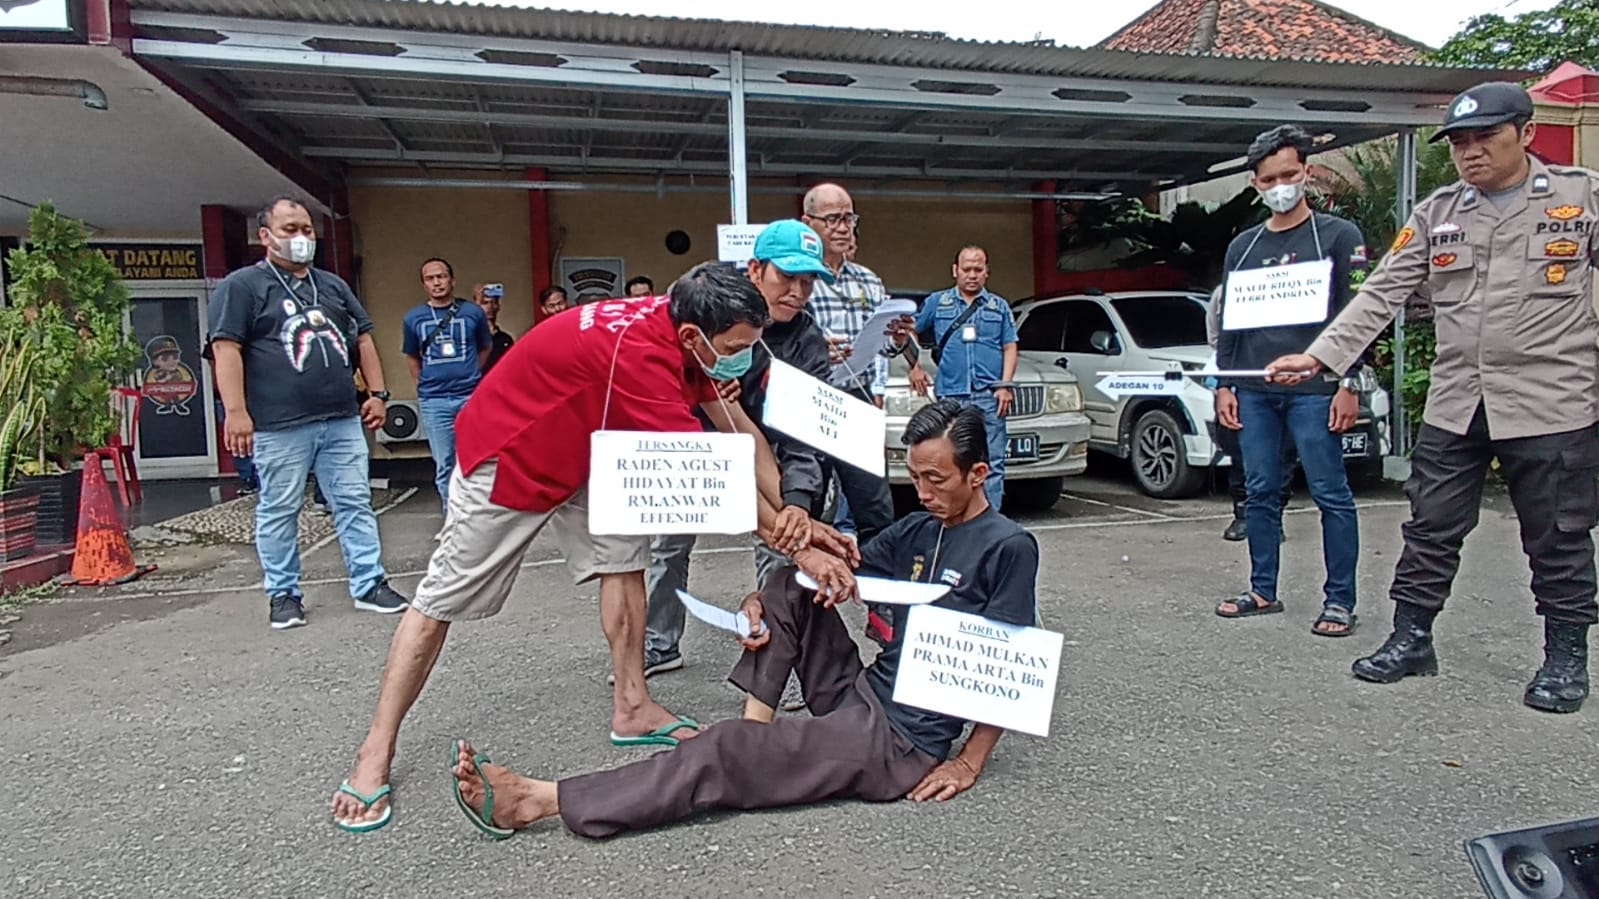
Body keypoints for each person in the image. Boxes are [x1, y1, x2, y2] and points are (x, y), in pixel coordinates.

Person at [330, 262, 861, 833]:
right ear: (693, 337)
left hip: (590, 454)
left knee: (625, 563)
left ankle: (632, 706)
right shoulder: (641, 354)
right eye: (735, 348)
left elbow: (741, 434)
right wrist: (802, 551)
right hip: (511, 455)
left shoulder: (693, 327)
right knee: (439, 601)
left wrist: (798, 519)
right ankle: (376, 748)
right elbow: (716, 480)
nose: (742, 357)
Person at [445, 399, 1040, 840]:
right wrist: (763, 601)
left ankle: (539, 800)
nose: (923, 490)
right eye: (915, 476)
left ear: (979, 475)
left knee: (723, 749)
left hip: (901, 743)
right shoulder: (920, 527)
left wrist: (968, 760)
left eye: (936, 480)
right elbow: (829, 568)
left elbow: (1008, 666)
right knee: (789, 584)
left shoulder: (1008, 547)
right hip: (863, 694)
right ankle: (760, 735)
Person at [1267, 82, 1599, 712]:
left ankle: (1564, 658)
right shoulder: (1439, 213)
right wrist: (1319, 358)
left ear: (1526, 135)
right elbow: (1380, 292)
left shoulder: (1580, 198)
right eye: (1460, 143)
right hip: (1458, 400)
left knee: (1558, 535)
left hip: (1552, 400)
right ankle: (1411, 638)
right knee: (1429, 526)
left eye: (1486, 139)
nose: (1471, 154)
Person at [638, 220, 835, 682]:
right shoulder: (707, 305)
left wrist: (798, 504)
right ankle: (657, 645)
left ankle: (777, 661)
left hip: (769, 455)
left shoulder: (807, 342)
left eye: (808, 282)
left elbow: (803, 438)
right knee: (668, 549)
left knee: (781, 550)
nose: (797, 292)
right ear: (754, 270)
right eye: (787, 277)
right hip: (692, 445)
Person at [207, 195, 408, 630]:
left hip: (340, 420)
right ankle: (283, 594)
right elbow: (226, 349)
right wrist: (236, 411)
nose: (301, 238)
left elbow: (364, 339)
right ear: (265, 236)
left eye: (305, 229)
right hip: (279, 426)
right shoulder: (242, 287)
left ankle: (370, 583)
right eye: (289, 230)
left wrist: (378, 393)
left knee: (354, 501)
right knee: (280, 508)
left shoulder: (332, 286)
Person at [1213, 124, 1367, 638]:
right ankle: (1262, 589)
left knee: (1330, 492)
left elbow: (1359, 314)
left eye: (1289, 174)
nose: (1280, 185)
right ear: (1256, 185)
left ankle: (1340, 601)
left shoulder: (1340, 236)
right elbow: (1231, 322)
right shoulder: (1243, 246)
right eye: (1268, 178)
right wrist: (1224, 384)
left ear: (1306, 172)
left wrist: (1350, 382)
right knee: (1260, 490)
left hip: (1316, 390)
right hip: (1254, 389)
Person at [802, 182, 912, 646]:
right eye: (834, 219)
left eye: (849, 218)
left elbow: (882, 346)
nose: (844, 228)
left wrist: (898, 338)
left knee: (876, 511)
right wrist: (814, 347)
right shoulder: (796, 278)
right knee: (802, 512)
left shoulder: (868, 279)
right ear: (808, 224)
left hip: (858, 400)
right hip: (807, 406)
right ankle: (801, 628)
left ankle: (882, 613)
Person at [906, 245, 1017, 511]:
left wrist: (1005, 386)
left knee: (993, 461)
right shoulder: (938, 302)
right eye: (966, 269)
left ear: (987, 272)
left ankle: (989, 521)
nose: (972, 275)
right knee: (949, 461)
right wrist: (915, 366)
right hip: (951, 396)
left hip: (989, 396)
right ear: (955, 270)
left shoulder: (998, 306)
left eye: (978, 269)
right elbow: (910, 329)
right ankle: (953, 515)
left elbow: (1010, 345)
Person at [1204, 285, 1295, 542]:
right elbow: (1215, 337)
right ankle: (1243, 513)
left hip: (1284, 376)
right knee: (1239, 451)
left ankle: (1274, 516)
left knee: (1283, 454)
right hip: (1236, 378)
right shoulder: (1224, 291)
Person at [403, 258, 492, 512]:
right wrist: (423, 385)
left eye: (441, 276)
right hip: (435, 401)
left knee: (477, 457)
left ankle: (478, 516)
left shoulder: (472, 313)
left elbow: (485, 346)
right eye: (430, 278)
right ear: (424, 285)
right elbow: (412, 356)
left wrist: (472, 371)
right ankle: (451, 517)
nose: (437, 282)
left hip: (470, 394)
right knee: (444, 462)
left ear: (452, 280)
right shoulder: (414, 318)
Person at [473, 282, 516, 374]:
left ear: (498, 306)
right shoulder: (472, 336)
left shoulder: (505, 339)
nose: (490, 307)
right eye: (485, 303)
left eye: (493, 302)